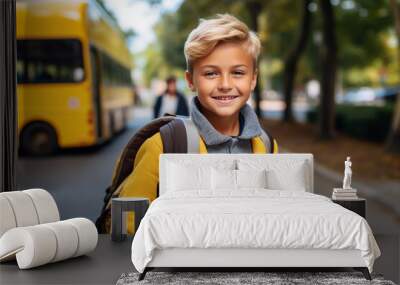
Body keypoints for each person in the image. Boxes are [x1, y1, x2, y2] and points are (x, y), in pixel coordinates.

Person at [110, 14, 279, 233]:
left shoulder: (267, 146)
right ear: (190, 80)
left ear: (253, 79)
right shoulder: (163, 145)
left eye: (238, 73)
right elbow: (128, 228)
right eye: (211, 73)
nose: (225, 84)